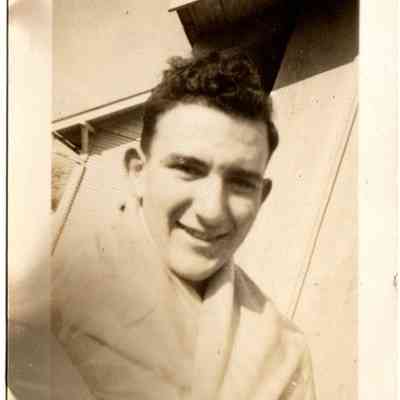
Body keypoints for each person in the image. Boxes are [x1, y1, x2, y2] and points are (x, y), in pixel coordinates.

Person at [49, 51, 315, 399]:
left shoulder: (285, 354)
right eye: (188, 169)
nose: (212, 210)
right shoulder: (47, 300)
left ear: (261, 196)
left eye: (241, 182)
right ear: (137, 173)